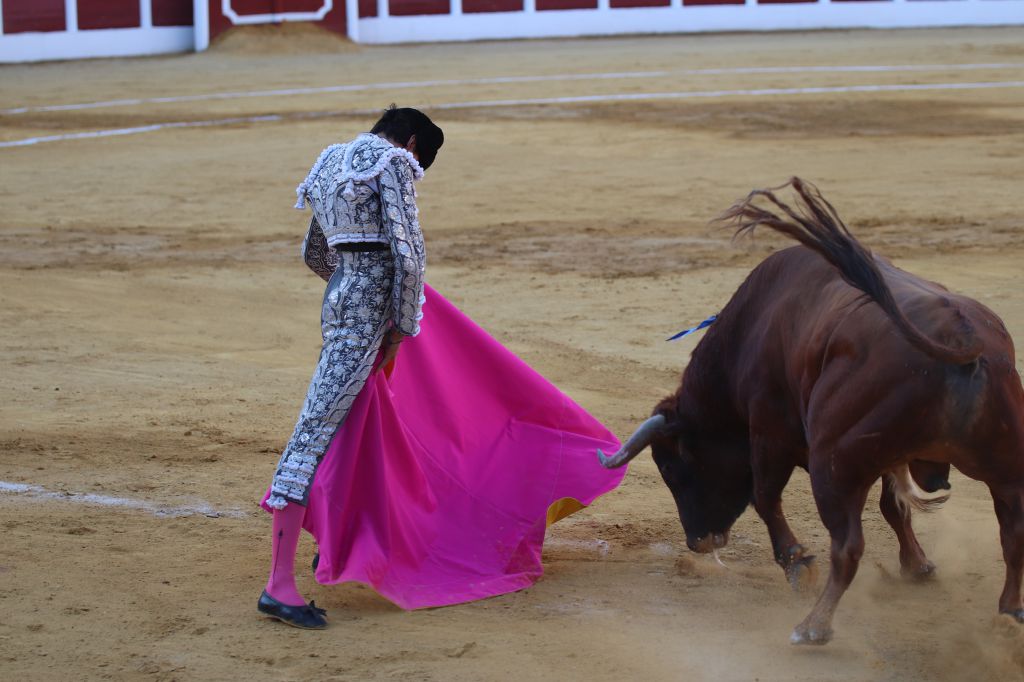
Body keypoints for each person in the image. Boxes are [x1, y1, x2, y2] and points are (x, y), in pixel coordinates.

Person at [258, 106, 444, 629]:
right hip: (368, 310)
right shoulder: (392, 164)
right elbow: (409, 255)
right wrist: (402, 328)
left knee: (350, 421)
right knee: (316, 430)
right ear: (411, 144)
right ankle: (277, 586)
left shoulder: (329, 161)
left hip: (340, 297)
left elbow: (315, 253)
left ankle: (334, 545)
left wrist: (349, 283)